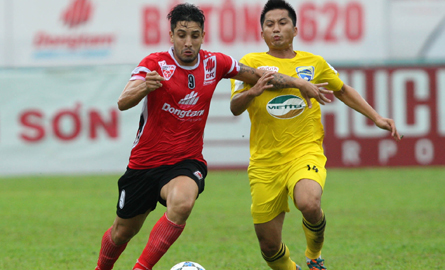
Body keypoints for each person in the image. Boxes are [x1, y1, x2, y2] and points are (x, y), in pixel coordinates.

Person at [94, 3, 331, 270]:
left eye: (195, 35)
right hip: (144, 164)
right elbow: (123, 102)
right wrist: (143, 88)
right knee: (121, 233)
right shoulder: (154, 64)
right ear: (171, 36)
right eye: (182, 35)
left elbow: (258, 76)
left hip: (186, 161)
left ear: (203, 36)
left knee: (183, 202)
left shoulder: (215, 62)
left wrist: (299, 82)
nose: (188, 42)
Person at [230, 0, 403, 270]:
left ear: (295, 29)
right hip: (265, 163)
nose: (276, 29)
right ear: (261, 33)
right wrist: (256, 90)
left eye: (282, 23)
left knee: (308, 202)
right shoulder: (251, 63)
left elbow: (342, 90)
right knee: (269, 248)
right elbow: (235, 107)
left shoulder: (314, 62)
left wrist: (377, 117)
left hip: (304, 151)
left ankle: (314, 254)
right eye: (269, 24)